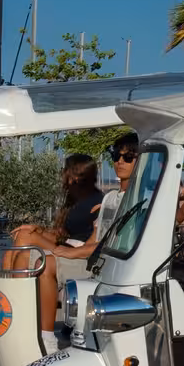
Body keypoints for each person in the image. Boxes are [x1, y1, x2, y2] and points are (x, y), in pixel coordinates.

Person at [20, 131, 140, 345]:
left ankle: (46, 338)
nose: (120, 162)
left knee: (44, 263)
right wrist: (66, 248)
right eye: (116, 156)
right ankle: (21, 321)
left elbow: (110, 245)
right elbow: (96, 239)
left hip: (107, 266)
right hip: (93, 258)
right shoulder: (111, 198)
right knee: (25, 245)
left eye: (128, 157)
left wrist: (69, 251)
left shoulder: (137, 200)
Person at [7, 154, 104, 264]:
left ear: (74, 176)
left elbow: (94, 241)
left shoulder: (97, 202)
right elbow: (60, 235)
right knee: (21, 235)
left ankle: (14, 280)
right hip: (66, 244)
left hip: (76, 250)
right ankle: (5, 281)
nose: (62, 174)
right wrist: (37, 229)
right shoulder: (73, 201)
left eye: (64, 170)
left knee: (25, 237)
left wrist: (72, 251)